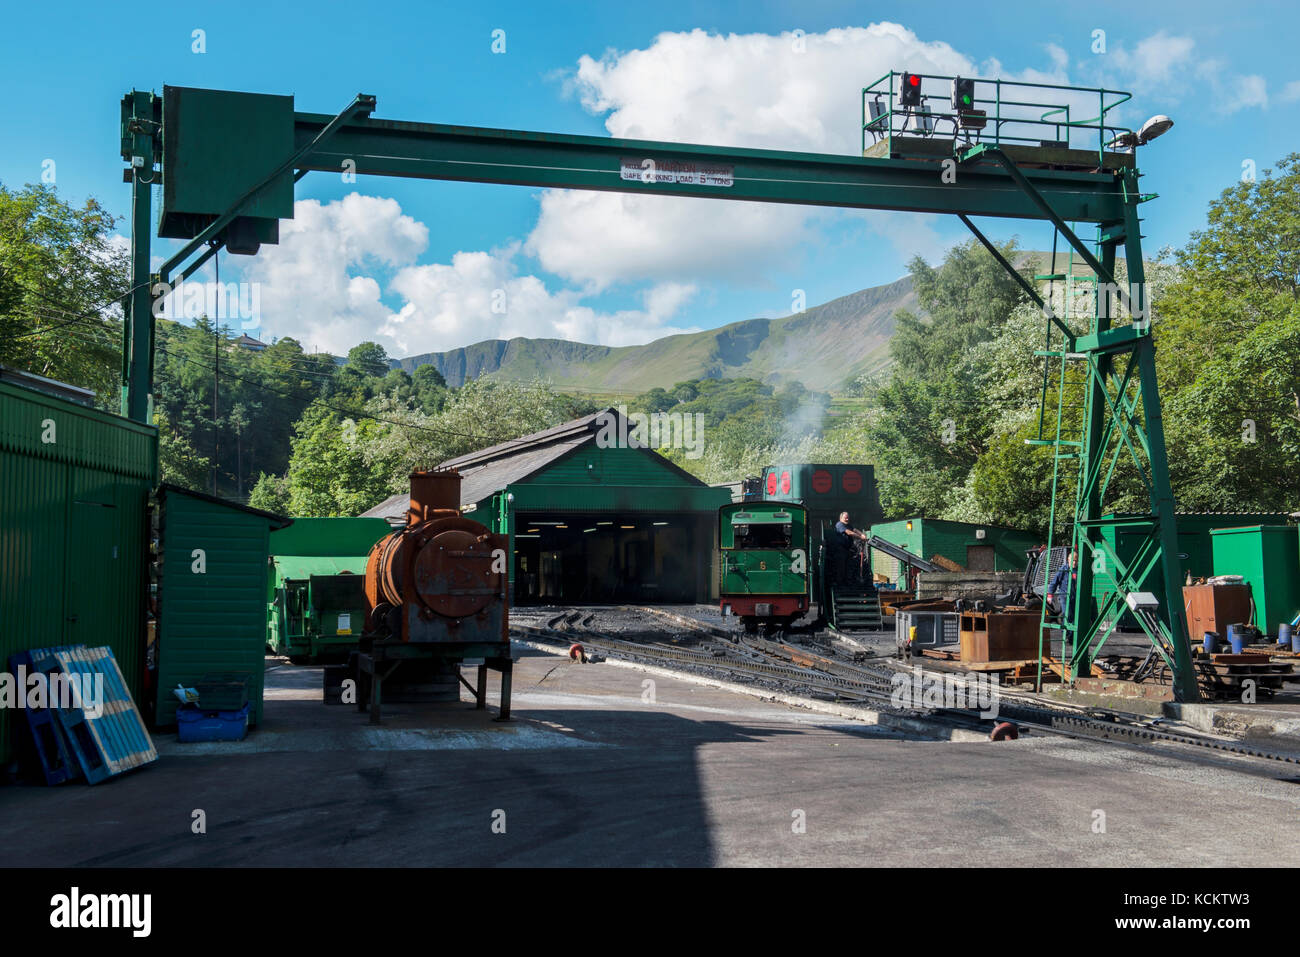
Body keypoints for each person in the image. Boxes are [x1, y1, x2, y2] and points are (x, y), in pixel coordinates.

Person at [832, 511, 868, 585]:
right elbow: (849, 532)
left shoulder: (849, 525)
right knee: (841, 567)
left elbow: (854, 530)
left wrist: (862, 534)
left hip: (847, 550)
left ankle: (848, 582)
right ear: (841, 518)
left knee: (849, 566)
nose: (847, 519)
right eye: (846, 518)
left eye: (848, 518)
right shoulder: (839, 524)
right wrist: (860, 537)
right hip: (840, 550)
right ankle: (840, 583)